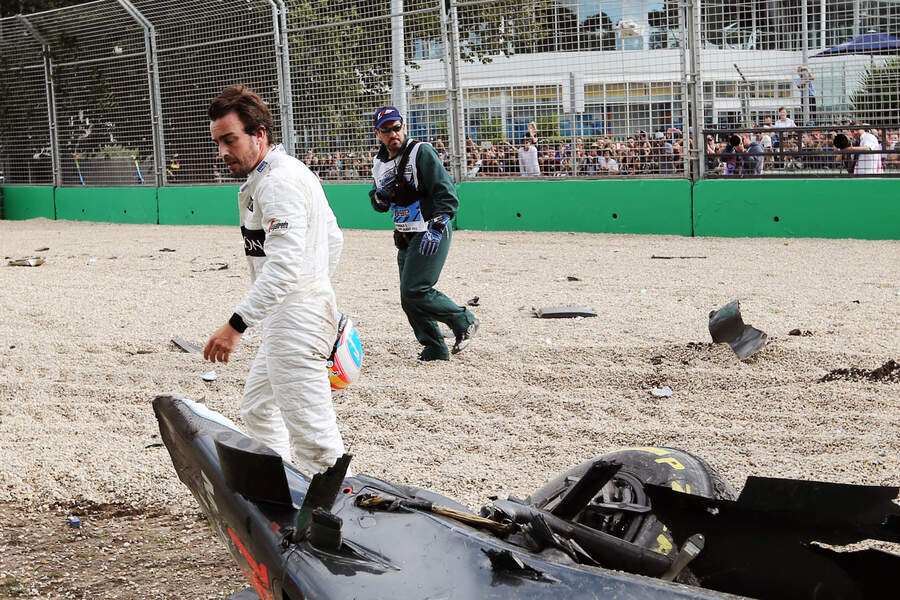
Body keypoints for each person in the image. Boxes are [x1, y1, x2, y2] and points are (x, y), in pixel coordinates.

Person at [203, 85, 348, 475]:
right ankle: (283, 492)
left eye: (230, 140)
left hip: (296, 320)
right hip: (293, 312)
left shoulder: (278, 182)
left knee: (317, 444)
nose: (222, 152)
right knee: (257, 408)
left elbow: (282, 268)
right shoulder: (281, 173)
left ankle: (347, 525)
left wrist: (236, 327)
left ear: (259, 134)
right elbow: (333, 238)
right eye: (218, 142)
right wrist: (313, 286)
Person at [369, 106, 479, 362]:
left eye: (396, 127)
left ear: (403, 126)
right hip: (405, 236)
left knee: (416, 290)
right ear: (378, 133)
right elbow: (376, 202)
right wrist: (379, 198)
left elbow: (447, 194)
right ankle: (435, 348)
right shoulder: (378, 163)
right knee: (408, 299)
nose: (392, 133)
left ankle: (464, 320)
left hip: (430, 231)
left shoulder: (421, 151)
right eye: (386, 130)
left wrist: (438, 226)